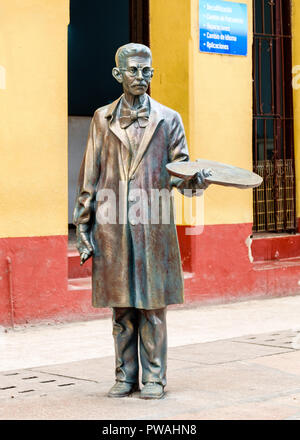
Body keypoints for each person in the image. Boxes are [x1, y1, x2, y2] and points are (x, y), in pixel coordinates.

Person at [73, 43, 209, 399]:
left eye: (146, 70)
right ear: (118, 74)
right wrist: (83, 227)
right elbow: (89, 176)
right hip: (113, 226)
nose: (141, 77)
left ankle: (154, 378)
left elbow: (181, 172)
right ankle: (124, 375)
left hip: (153, 226)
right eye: (133, 70)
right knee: (122, 309)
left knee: (151, 307)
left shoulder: (169, 119)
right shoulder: (102, 119)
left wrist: (195, 181)